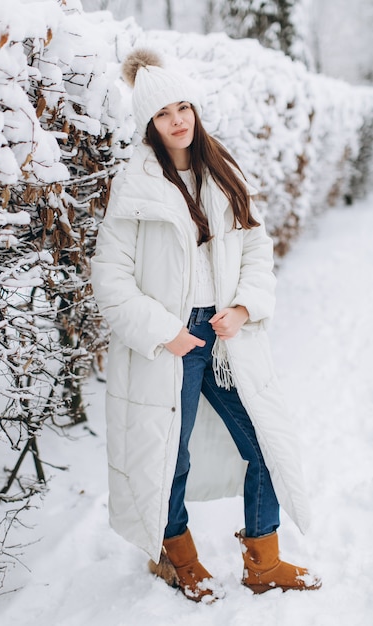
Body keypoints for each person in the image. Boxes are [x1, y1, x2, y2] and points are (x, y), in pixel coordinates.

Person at [91, 49, 321, 603]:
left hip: (225, 337)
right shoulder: (137, 185)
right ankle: (176, 556)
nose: (179, 119)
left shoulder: (225, 171)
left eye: (184, 106)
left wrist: (243, 308)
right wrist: (162, 331)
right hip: (171, 341)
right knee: (170, 453)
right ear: (150, 124)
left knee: (264, 439)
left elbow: (257, 251)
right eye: (165, 112)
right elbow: (110, 277)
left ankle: (263, 560)